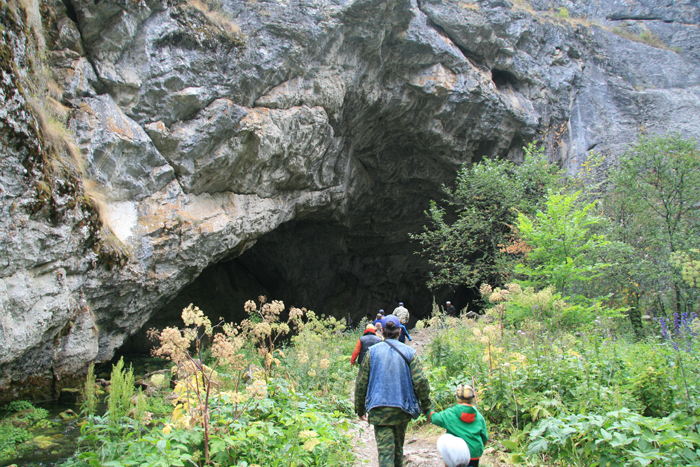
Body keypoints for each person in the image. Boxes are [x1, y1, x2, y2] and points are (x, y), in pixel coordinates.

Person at [355, 315, 432, 467]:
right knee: (398, 450)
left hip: (379, 409)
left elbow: (361, 382)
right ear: (399, 332)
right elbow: (420, 381)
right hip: (402, 409)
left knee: (385, 452)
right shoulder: (410, 353)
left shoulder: (371, 352)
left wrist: (360, 409)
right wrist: (426, 406)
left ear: (381, 331)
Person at [427, 385, 488, 467]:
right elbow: (484, 438)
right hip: (474, 455)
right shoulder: (479, 417)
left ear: (457, 398)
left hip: (456, 455)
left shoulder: (450, 413)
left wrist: (428, 411)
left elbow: (435, 418)